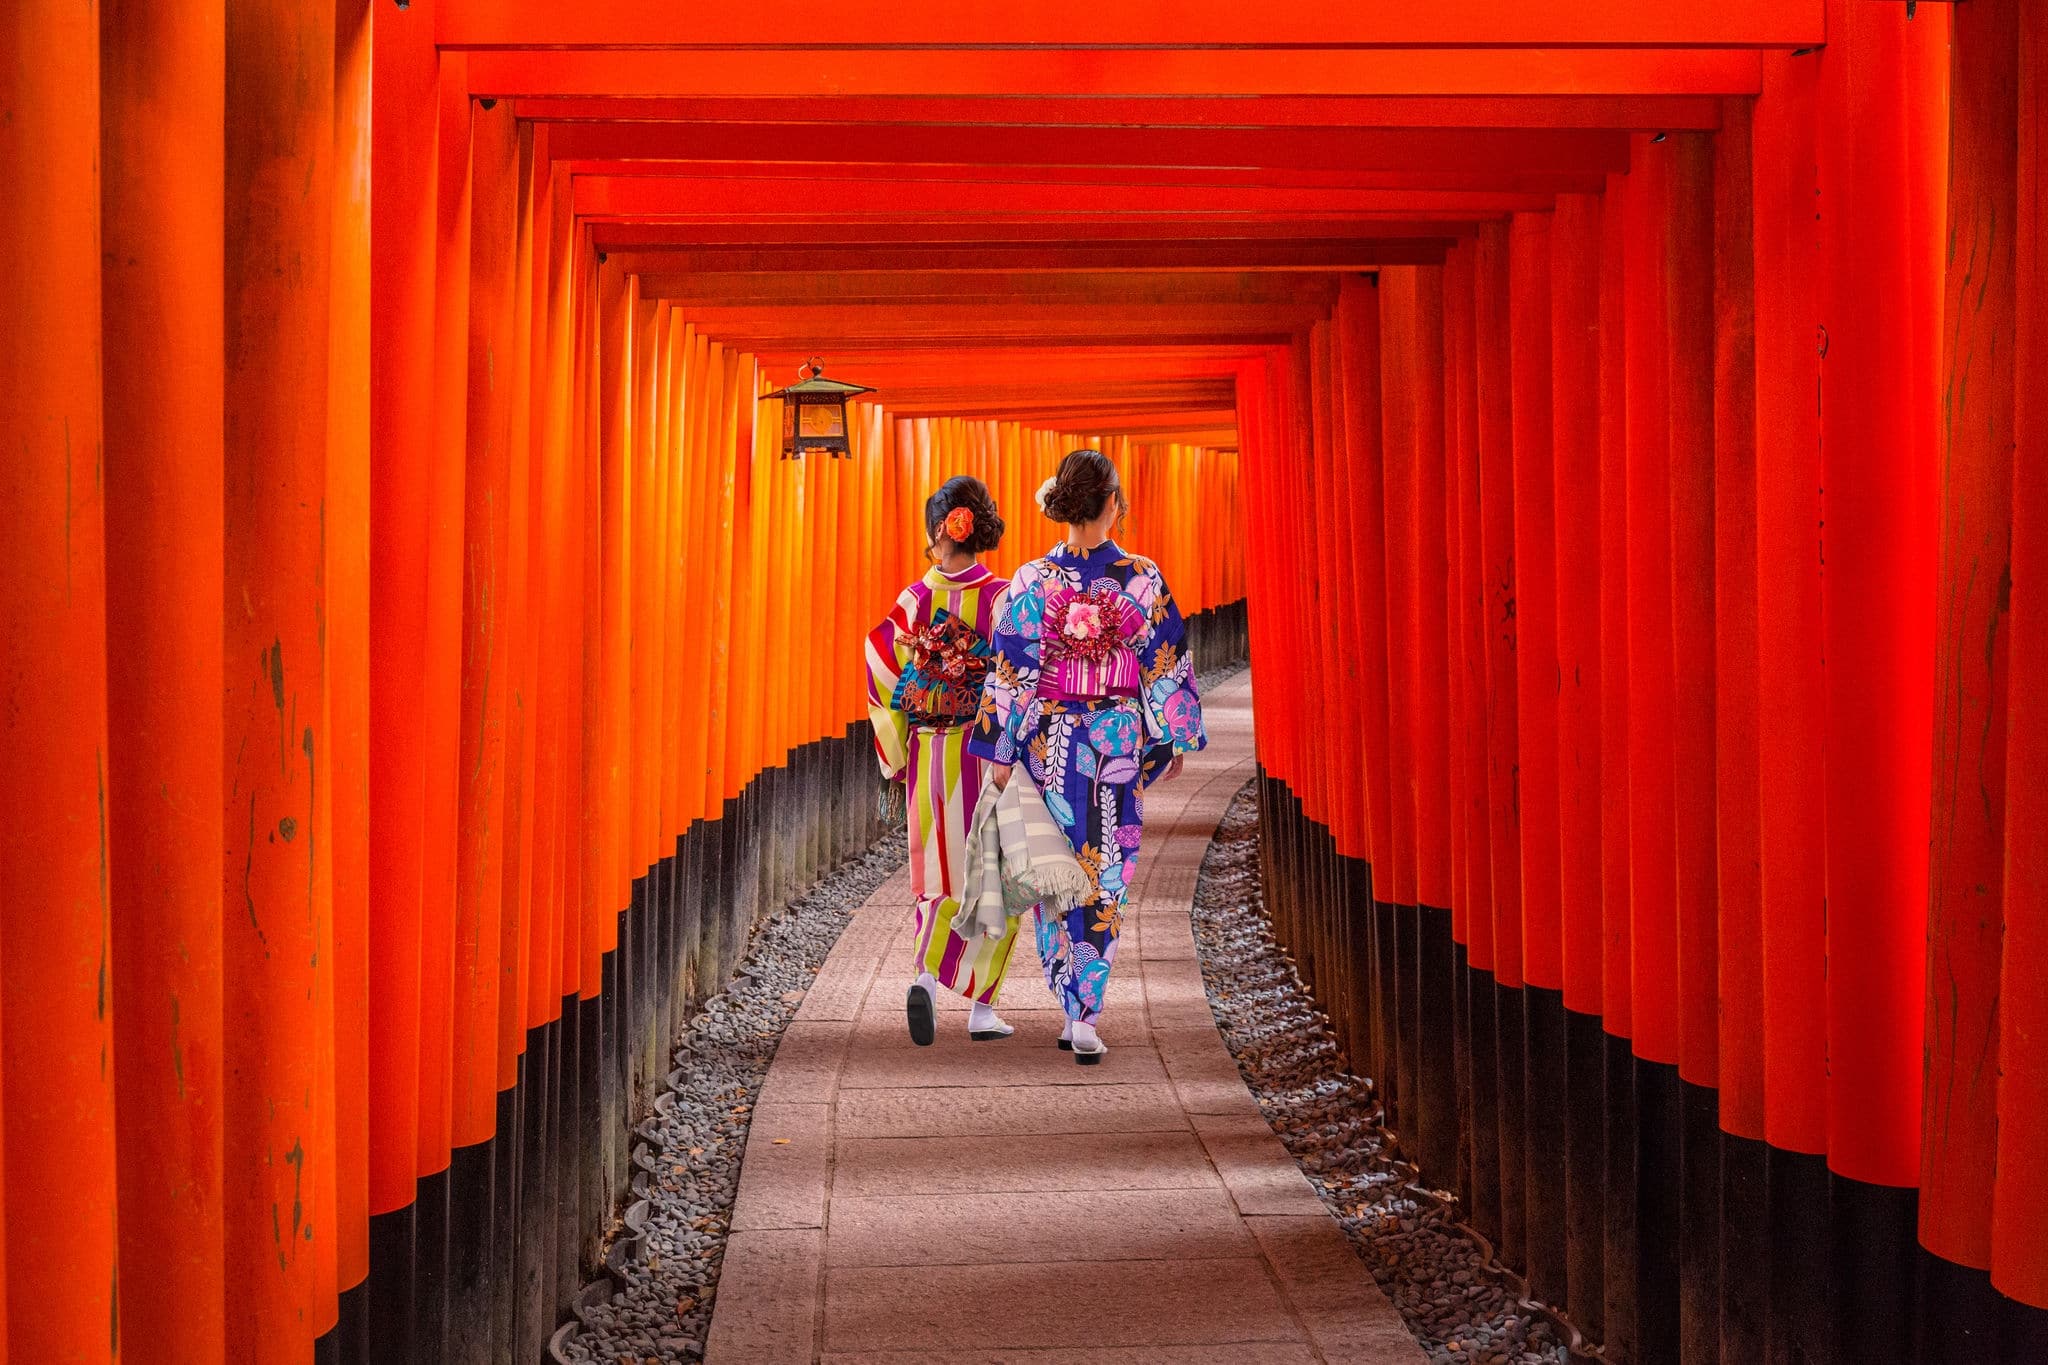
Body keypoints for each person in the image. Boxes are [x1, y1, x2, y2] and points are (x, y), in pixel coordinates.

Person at [967, 449, 1206, 1063]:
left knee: (1059, 870)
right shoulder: (1142, 577)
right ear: (1113, 506)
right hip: (1116, 743)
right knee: (1106, 875)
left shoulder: (1029, 581)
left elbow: (1010, 671)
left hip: (1052, 742)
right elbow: (1166, 660)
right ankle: (1084, 1012)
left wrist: (1002, 747)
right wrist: (1174, 734)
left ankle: (1071, 1000)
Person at [864, 476, 1025, 1046]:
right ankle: (983, 1009)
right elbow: (1017, 677)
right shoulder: (1004, 597)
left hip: (930, 750)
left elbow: (882, 666)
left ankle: (927, 978)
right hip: (987, 752)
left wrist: (896, 748)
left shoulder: (913, 600)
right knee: (995, 872)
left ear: (941, 531)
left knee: (936, 866)